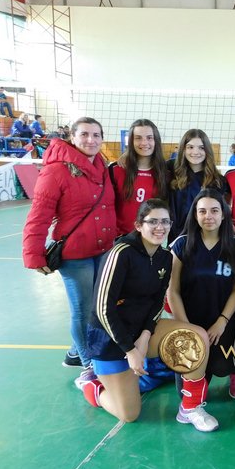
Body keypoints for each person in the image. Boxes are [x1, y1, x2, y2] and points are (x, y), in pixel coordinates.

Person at [79, 199, 218, 431]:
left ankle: (190, 408)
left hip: (139, 330)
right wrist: (130, 350)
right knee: (129, 414)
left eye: (165, 221)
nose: (159, 227)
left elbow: (156, 303)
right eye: (152, 222)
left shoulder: (165, 257)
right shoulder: (121, 253)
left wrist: (144, 338)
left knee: (197, 337)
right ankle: (91, 386)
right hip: (109, 338)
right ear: (138, 225)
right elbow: (102, 309)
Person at [22, 117, 116, 374]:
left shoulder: (102, 167)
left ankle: (76, 352)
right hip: (76, 256)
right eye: (84, 134)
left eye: (96, 135)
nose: (91, 140)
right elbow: (39, 215)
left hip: (103, 250)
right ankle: (89, 365)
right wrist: (33, 255)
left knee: (100, 307)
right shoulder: (56, 171)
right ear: (72, 138)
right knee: (83, 310)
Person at [168, 189, 235, 400]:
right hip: (189, 320)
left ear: (223, 215)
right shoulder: (181, 244)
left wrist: (222, 321)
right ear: (195, 215)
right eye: (202, 211)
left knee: (221, 366)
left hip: (223, 320)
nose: (208, 216)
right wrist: (187, 329)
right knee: (186, 394)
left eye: (214, 211)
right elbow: (173, 291)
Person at [109, 119, 169, 237]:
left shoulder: (165, 173)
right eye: (138, 138)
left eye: (149, 138)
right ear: (131, 141)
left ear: (156, 140)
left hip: (152, 238)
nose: (144, 142)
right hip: (120, 238)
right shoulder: (116, 170)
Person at [167, 129, 228, 243]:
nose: (195, 152)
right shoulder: (171, 169)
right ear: (183, 149)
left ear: (207, 150)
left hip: (204, 238)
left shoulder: (217, 180)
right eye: (190, 147)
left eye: (201, 148)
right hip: (175, 237)